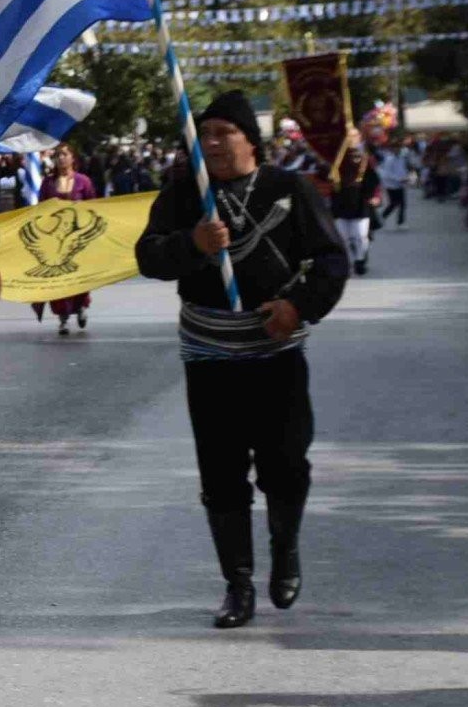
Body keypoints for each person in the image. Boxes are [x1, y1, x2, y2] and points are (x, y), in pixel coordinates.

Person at [136, 91, 349, 630]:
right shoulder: (185, 194)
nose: (209, 143)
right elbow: (149, 257)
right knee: (221, 473)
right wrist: (193, 243)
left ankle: (286, 551)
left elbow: (330, 259)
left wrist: (298, 306)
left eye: (221, 134)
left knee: (285, 462)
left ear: (249, 139)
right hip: (209, 355)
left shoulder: (289, 189)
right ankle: (237, 586)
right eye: (202, 135)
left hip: (275, 350)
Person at [39, 146, 99, 334]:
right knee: (58, 279)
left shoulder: (83, 181)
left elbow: (94, 207)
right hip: (55, 241)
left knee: (78, 276)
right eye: (58, 155)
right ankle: (62, 318)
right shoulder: (48, 183)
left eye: (65, 154)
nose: (61, 158)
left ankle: (80, 307)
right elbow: (40, 210)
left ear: (73, 158)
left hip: (78, 239)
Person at [329, 148, 382, 277]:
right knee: (344, 238)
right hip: (341, 209)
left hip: (361, 208)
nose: (355, 159)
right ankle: (350, 262)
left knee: (360, 236)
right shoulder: (337, 170)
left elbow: (376, 186)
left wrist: (376, 198)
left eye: (357, 156)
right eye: (352, 156)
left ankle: (360, 259)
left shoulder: (366, 170)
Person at [375, 139, 412, 228]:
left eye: (399, 148)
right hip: (391, 185)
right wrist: (399, 179)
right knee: (393, 204)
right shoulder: (389, 159)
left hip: (400, 184)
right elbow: (387, 174)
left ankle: (400, 222)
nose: (398, 150)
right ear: (392, 149)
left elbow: (402, 169)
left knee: (402, 203)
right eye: (396, 148)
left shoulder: (401, 158)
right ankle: (382, 217)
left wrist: (406, 177)